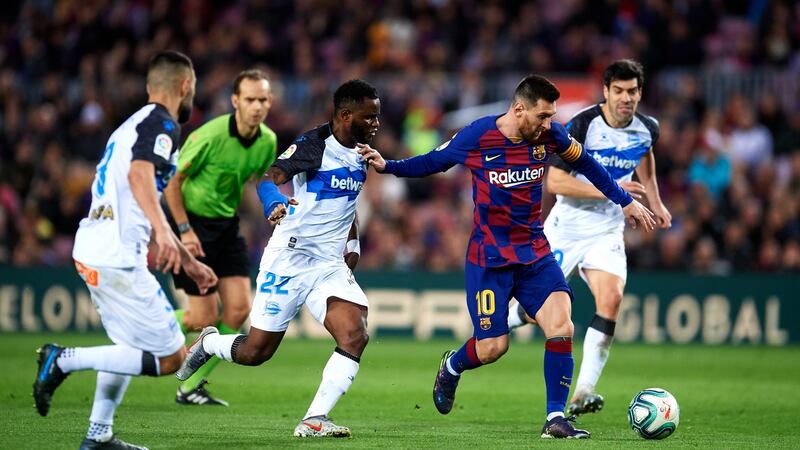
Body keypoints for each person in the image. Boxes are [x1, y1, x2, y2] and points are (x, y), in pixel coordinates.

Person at [359, 75, 656, 439]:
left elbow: (591, 164)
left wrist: (625, 201)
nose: (548, 124)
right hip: (489, 260)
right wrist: (388, 166)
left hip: (534, 253)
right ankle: (452, 365)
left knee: (562, 325)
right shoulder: (477, 136)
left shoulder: (552, 135)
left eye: (551, 117)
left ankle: (554, 419)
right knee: (492, 348)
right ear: (519, 109)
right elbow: (433, 162)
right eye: (542, 116)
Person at [33, 50, 217, 450]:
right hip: (116, 256)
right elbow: (139, 175)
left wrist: (188, 261)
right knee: (171, 358)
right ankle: (62, 360)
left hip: (96, 249)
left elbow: (137, 187)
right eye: (193, 88)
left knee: (127, 349)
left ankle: (99, 435)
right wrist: (166, 236)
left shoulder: (129, 126)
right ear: (185, 86)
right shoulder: (162, 123)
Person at [175, 79, 379, 438]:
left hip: (328, 265)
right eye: (370, 116)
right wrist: (274, 203)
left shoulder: (362, 152)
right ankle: (209, 342)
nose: (377, 123)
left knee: (354, 334)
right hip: (290, 257)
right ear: (346, 115)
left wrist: (354, 245)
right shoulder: (313, 146)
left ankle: (314, 419)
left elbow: (348, 207)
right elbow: (267, 178)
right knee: (256, 352)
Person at [506, 60, 672, 417]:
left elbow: (645, 157)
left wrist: (656, 202)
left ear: (640, 93)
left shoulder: (648, 129)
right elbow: (555, 182)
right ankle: (505, 320)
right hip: (568, 223)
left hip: (608, 229)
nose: (626, 98)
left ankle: (584, 390)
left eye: (632, 91)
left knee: (611, 299)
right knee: (539, 312)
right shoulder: (583, 125)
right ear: (606, 92)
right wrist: (614, 192)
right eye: (619, 91)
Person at [164, 68, 277, 406]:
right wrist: (183, 231)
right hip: (191, 223)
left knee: (239, 309)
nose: (256, 106)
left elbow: (263, 180)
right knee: (202, 318)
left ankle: (191, 385)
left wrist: (278, 205)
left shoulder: (267, 141)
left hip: (226, 226)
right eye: (250, 99)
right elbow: (172, 182)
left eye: (262, 100)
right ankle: (146, 325)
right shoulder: (210, 135)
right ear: (235, 101)